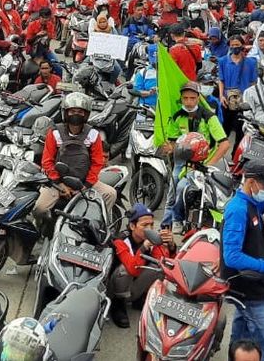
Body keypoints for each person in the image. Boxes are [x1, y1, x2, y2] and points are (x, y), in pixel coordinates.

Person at [222, 158, 264, 361]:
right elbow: (231, 256)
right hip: (249, 290)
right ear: (251, 183)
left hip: (252, 288)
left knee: (239, 339)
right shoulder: (238, 209)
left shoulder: (253, 205)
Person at [34, 92, 117, 222]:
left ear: (86, 113)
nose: (76, 114)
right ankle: (43, 228)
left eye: (80, 111)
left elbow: (97, 163)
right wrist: (60, 184)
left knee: (110, 194)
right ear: (66, 112)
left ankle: (98, 225)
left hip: (84, 182)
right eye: (72, 111)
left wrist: (86, 186)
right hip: (57, 182)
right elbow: (47, 161)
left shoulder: (94, 135)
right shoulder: (54, 133)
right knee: (40, 208)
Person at [161, 82, 232, 228]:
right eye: (185, 98)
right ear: (181, 99)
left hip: (206, 164)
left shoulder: (209, 117)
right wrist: (170, 147)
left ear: (198, 98)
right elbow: (173, 142)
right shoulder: (177, 117)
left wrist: (209, 164)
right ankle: (172, 222)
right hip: (184, 164)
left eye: (192, 98)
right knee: (176, 189)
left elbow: (225, 144)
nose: (188, 102)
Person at [108, 204, 176, 328]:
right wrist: (144, 247)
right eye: (145, 225)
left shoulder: (151, 239)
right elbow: (132, 269)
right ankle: (118, 305)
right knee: (124, 270)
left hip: (134, 285)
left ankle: (140, 299)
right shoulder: (121, 241)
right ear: (132, 226)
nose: (149, 228)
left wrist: (170, 246)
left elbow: (167, 264)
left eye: (151, 225)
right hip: (115, 288)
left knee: (159, 266)